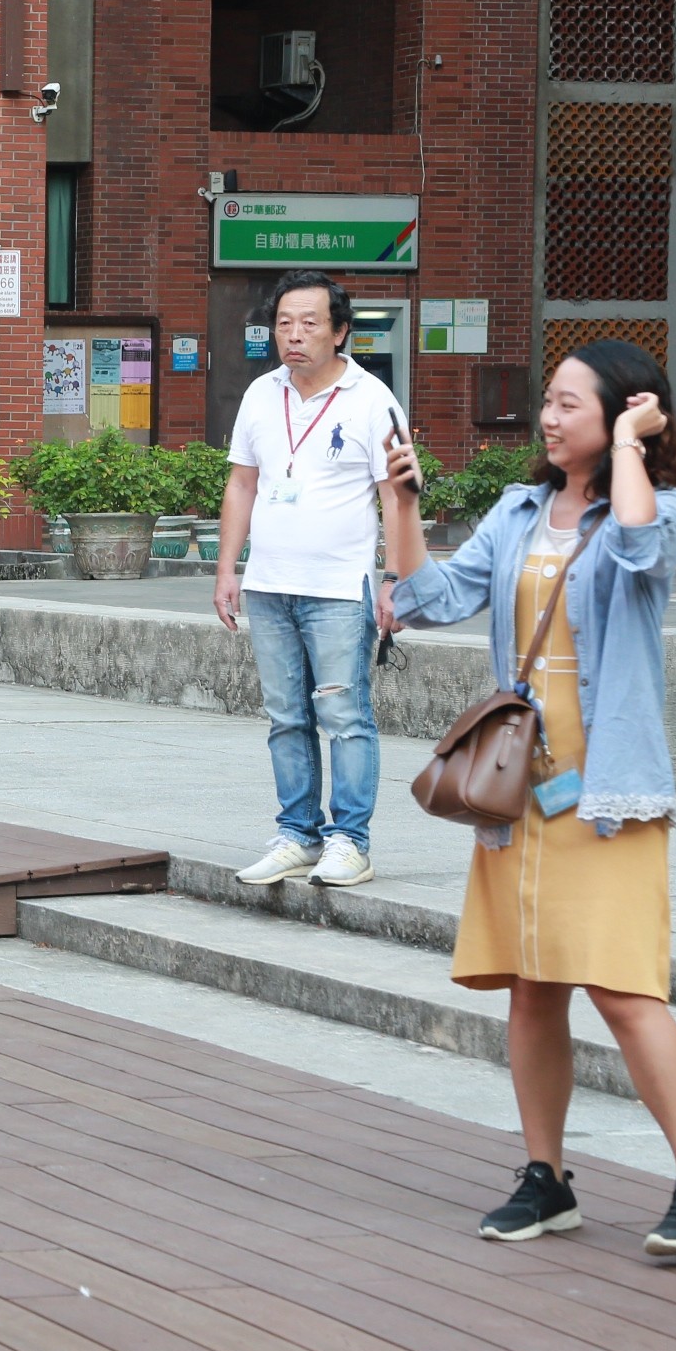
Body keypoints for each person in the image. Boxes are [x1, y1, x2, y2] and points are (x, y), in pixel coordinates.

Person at [379, 340, 676, 1258]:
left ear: (626, 414)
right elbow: (424, 598)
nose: (548, 416)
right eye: (549, 401)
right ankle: (547, 1177)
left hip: (608, 787)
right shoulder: (518, 509)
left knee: (624, 991)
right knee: (533, 991)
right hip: (521, 783)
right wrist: (402, 503)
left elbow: (635, 546)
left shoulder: (660, 504)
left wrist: (628, 450)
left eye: (571, 403)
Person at [214, 270, 421, 890]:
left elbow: (397, 497)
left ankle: (350, 842)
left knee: (345, 715)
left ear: (340, 332)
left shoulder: (373, 399)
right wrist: (228, 568)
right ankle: (297, 834)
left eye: (309, 323)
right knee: (285, 718)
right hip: (269, 584)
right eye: (283, 323)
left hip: (338, 588)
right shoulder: (260, 394)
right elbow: (242, 483)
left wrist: (395, 580)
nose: (293, 335)